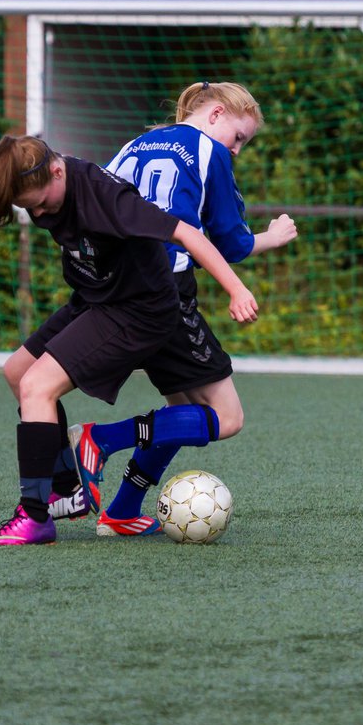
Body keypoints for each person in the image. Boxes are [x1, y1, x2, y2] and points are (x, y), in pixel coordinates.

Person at [0, 134, 260, 545]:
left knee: (37, 386)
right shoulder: (48, 179)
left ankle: (35, 515)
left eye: (40, 203)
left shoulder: (105, 196)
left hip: (137, 309)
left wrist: (237, 289)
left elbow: (186, 234)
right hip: (97, 298)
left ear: (58, 170)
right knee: (18, 372)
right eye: (30, 208)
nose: (39, 213)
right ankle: (65, 489)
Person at [61, 81, 298, 537]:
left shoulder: (134, 146)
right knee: (227, 418)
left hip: (114, 286)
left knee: (180, 413)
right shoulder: (208, 150)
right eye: (239, 138)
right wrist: (274, 235)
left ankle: (123, 511)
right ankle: (100, 439)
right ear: (215, 115)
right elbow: (230, 240)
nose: (237, 150)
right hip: (164, 290)